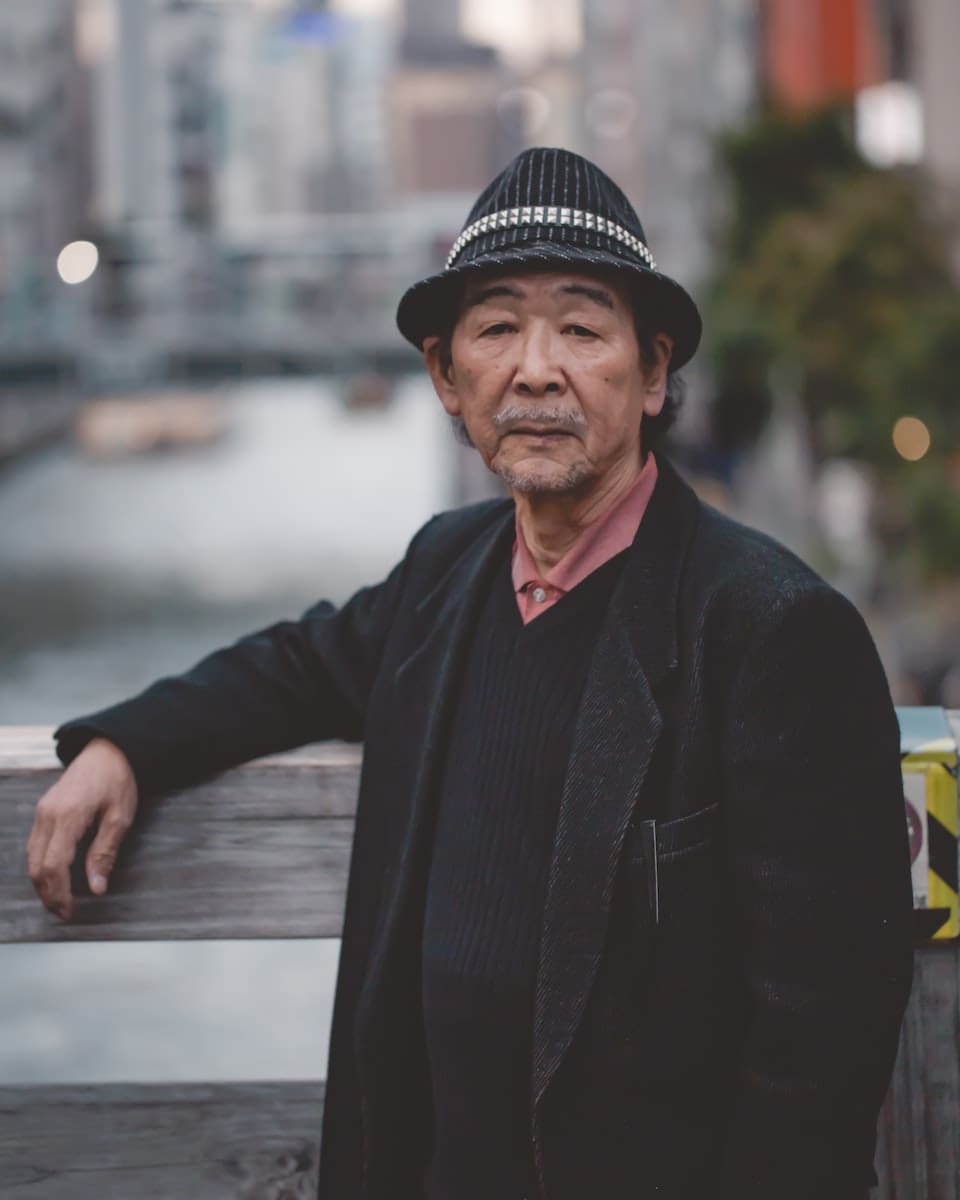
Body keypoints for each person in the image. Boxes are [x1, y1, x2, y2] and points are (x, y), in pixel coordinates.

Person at [26, 147, 913, 1200]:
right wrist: (124, 744)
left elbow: (824, 1037)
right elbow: (297, 664)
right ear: (449, 380)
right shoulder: (444, 573)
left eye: (582, 327)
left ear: (656, 369)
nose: (537, 368)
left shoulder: (772, 629)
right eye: (496, 329)